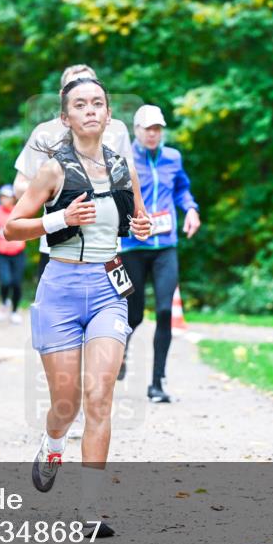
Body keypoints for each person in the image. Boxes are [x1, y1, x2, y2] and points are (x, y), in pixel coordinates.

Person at [5, 78, 152, 537]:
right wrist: (61, 218)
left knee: (99, 397)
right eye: (80, 105)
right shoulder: (52, 169)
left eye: (98, 104)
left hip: (109, 286)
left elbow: (136, 221)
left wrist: (142, 228)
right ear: (65, 118)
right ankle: (52, 444)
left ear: (109, 115)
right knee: (65, 405)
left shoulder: (122, 165)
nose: (90, 111)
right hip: (61, 289)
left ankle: (90, 510)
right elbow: (12, 228)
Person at [13, 65, 142, 283]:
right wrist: (59, 194)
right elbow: (19, 186)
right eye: (75, 89)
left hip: (108, 245)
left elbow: (128, 180)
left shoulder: (117, 129)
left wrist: (131, 214)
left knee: (126, 312)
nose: (85, 97)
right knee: (59, 308)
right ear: (63, 96)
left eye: (93, 94)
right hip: (60, 245)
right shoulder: (44, 133)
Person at [119, 105, 201, 403]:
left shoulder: (173, 157)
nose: (152, 134)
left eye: (157, 129)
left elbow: (182, 189)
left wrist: (190, 209)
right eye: (147, 128)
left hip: (165, 245)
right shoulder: (123, 159)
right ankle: (121, 353)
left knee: (166, 311)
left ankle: (156, 384)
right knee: (134, 314)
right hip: (132, 247)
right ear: (136, 131)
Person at [0, 184, 27, 323]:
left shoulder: (19, 211)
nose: (4, 200)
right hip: (0, 252)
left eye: (7, 197)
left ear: (13, 198)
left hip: (18, 252)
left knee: (16, 283)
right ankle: (4, 303)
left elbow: (27, 228)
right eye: (2, 197)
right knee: (5, 281)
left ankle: (15, 311)